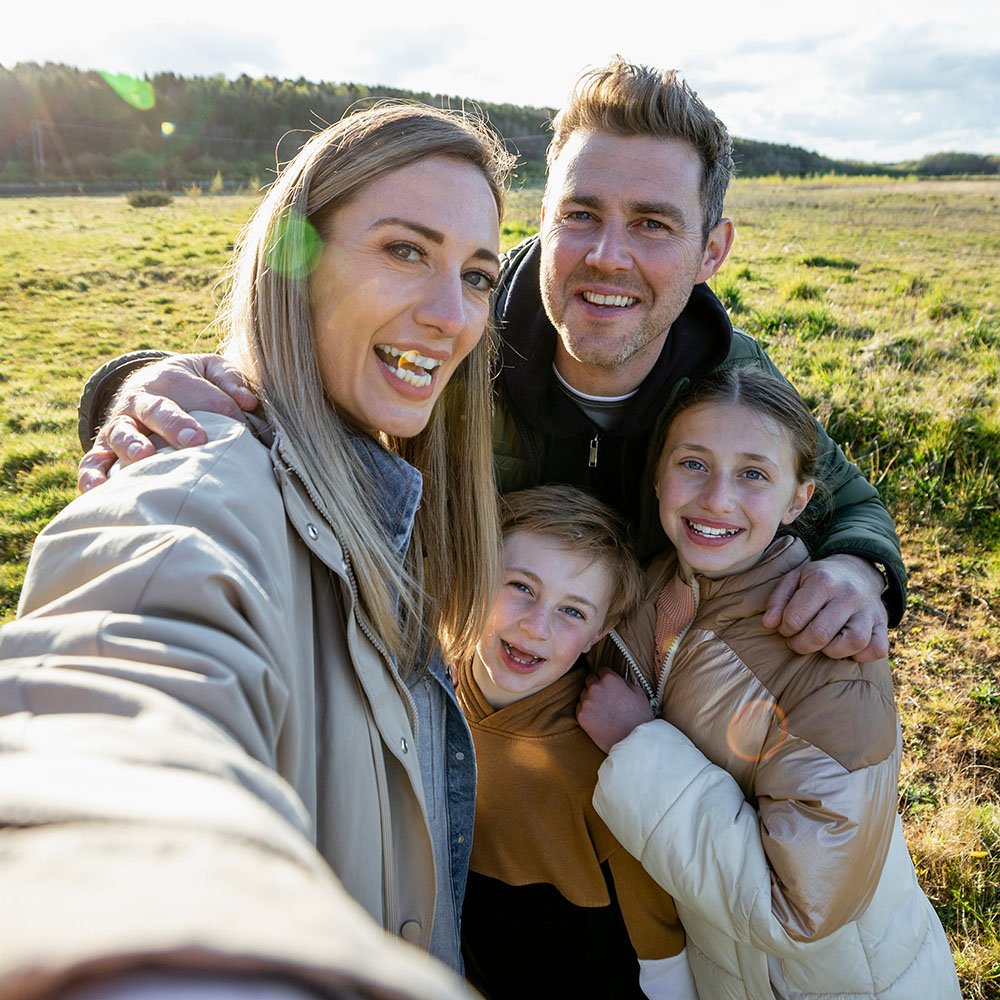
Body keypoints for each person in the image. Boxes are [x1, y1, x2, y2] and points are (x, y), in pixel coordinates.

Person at [74, 56, 904, 668]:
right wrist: (139, 386)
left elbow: (842, 497)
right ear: (542, 218)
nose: (607, 257)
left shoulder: (734, 382)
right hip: (464, 711)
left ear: (711, 249)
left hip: (644, 720)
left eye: (653, 224)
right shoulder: (457, 340)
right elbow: (300, 375)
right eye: (581, 214)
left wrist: (859, 569)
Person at [0, 102, 515, 997]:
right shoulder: (194, 487)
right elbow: (108, 698)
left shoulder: (386, 501)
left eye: (476, 275)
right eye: (404, 251)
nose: (450, 316)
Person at [577, 365, 961, 1000]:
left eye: (753, 474)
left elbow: (801, 907)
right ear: (657, 473)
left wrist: (638, 746)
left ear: (798, 500)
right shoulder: (641, 594)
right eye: (693, 463)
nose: (717, 499)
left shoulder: (833, 650)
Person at [455, 484, 698, 1000]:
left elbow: (655, 933)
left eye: (572, 612)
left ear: (598, 634)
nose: (535, 626)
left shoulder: (596, 758)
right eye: (521, 586)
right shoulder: (426, 688)